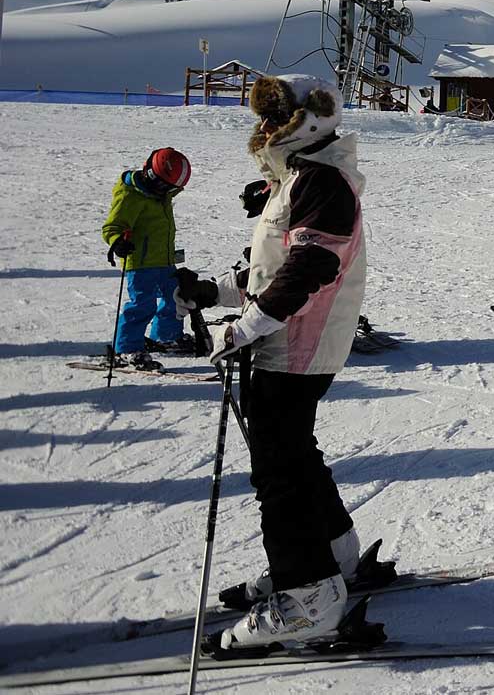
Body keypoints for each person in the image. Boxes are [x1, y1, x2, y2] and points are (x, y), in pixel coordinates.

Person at [203, 74, 370, 649]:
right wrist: (214, 292)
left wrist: (246, 326)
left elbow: (311, 266)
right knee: (294, 454)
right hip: (290, 341)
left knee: (278, 470)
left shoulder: (322, 180)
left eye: (279, 117)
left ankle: (307, 598)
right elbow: (273, 267)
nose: (267, 128)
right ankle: (333, 558)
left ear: (310, 119)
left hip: (298, 346)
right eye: (266, 118)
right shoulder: (302, 175)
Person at [101, 147, 193, 366]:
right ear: (151, 175)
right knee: (142, 305)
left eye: (171, 188)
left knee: (175, 298)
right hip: (140, 263)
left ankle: (166, 336)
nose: (167, 191)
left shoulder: (161, 193)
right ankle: (127, 348)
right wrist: (117, 241)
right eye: (165, 187)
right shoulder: (130, 195)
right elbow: (112, 226)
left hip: (165, 260)